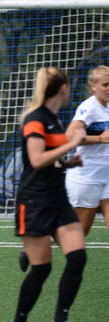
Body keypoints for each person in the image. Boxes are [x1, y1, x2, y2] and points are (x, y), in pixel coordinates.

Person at [6, 68, 89, 322]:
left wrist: (67, 163)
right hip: (35, 201)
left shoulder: (54, 119)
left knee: (77, 257)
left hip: (58, 199)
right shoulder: (35, 119)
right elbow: (37, 159)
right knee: (42, 268)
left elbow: (50, 160)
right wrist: (72, 143)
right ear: (63, 88)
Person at [64, 65, 109, 235]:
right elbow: (70, 137)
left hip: (107, 173)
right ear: (94, 86)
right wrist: (99, 139)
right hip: (88, 175)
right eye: (105, 85)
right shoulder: (89, 108)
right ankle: (44, 240)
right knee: (80, 232)